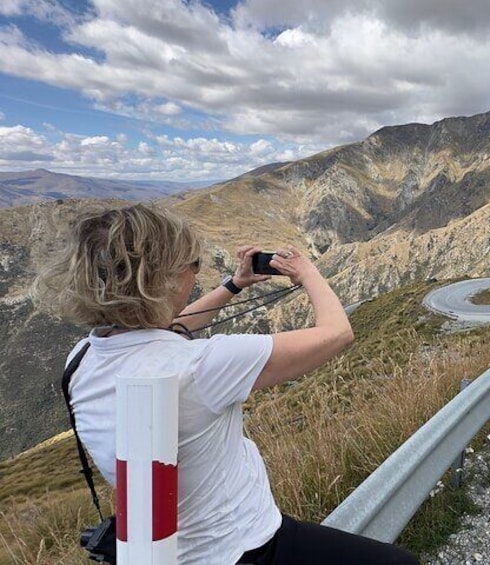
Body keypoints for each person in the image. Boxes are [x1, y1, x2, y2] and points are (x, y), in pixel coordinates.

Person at [34, 203, 418, 565]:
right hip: (243, 544)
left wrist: (235, 285)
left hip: (166, 551)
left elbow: (160, 326)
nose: (196, 273)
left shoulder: (82, 359)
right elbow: (337, 333)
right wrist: (309, 273)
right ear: (162, 280)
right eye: (192, 264)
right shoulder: (202, 366)